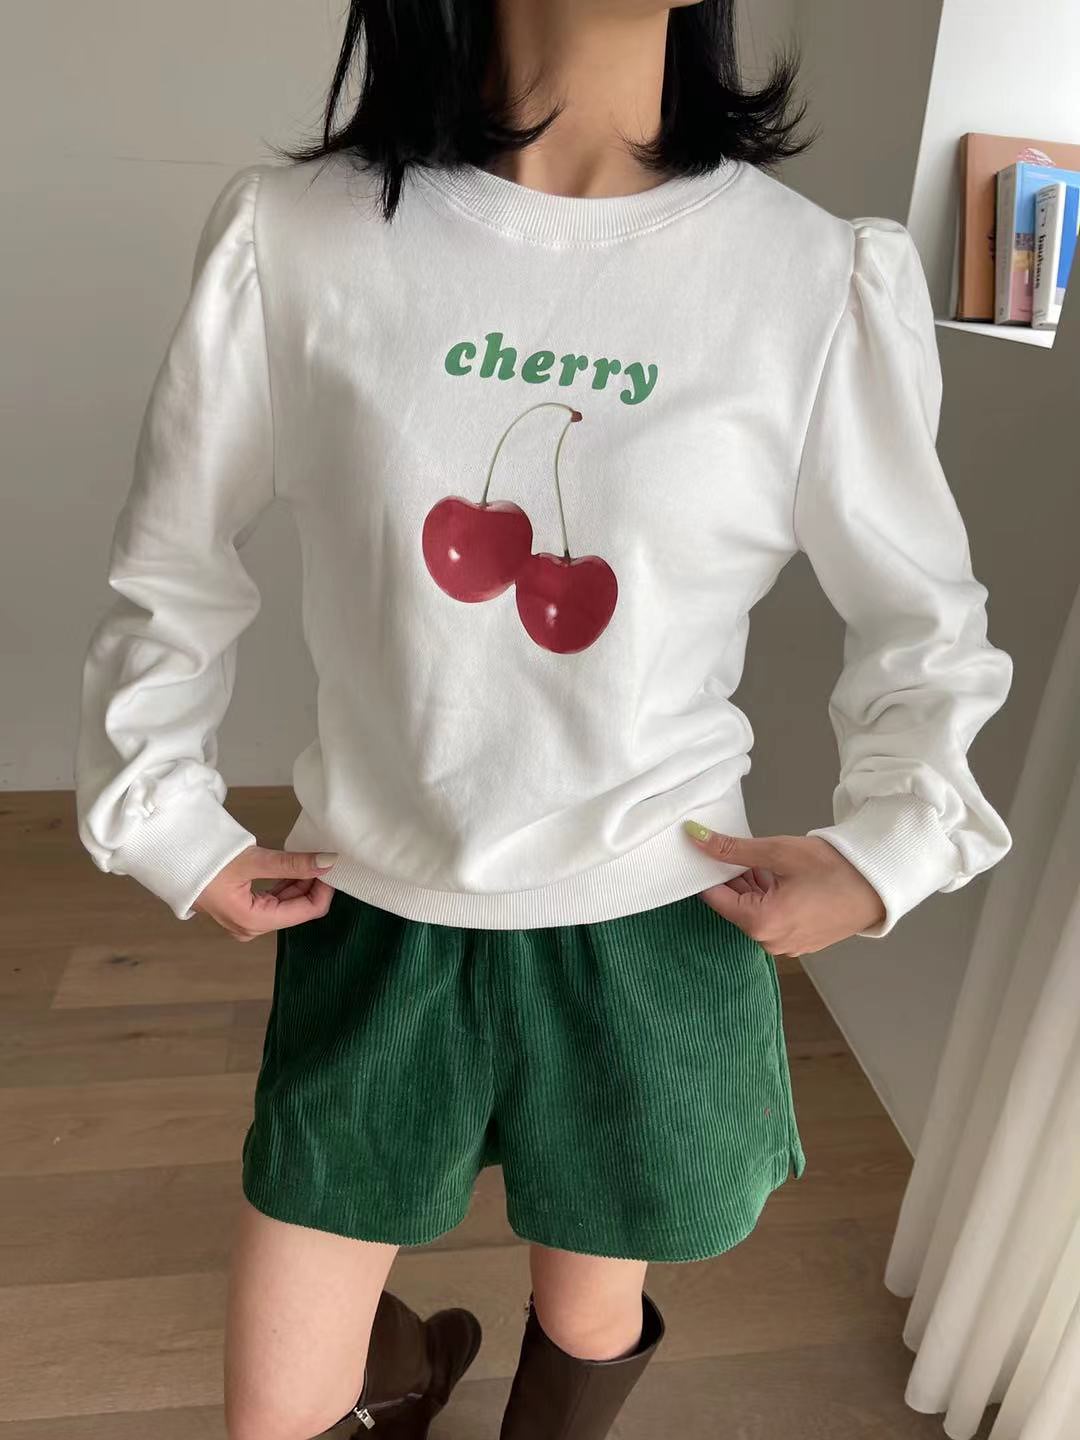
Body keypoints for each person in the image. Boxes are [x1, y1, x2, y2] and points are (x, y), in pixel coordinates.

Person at [73, 2, 1015, 1437]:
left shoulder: (811, 279)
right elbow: (174, 561)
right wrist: (163, 815)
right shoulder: (301, 238)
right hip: (379, 905)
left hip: (655, 915)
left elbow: (924, 621)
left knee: (588, 1308)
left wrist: (892, 846)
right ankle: (405, 1372)